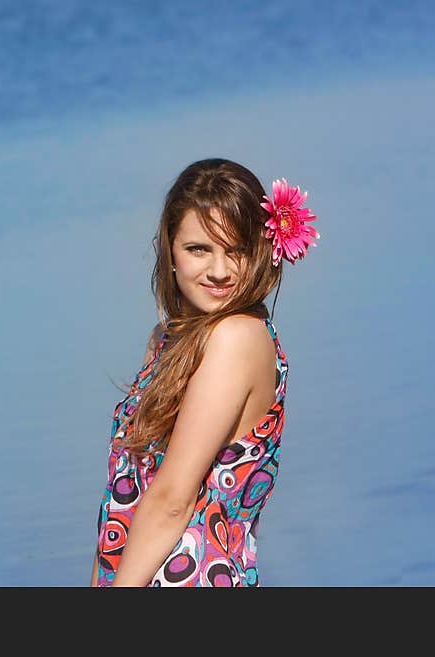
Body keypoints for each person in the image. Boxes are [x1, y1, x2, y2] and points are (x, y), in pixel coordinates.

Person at [90, 158, 319, 587]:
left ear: (263, 252)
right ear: (170, 252)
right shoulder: (166, 340)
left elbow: (174, 499)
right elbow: (124, 500)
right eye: (198, 249)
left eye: (236, 251)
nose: (218, 271)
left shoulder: (238, 338)